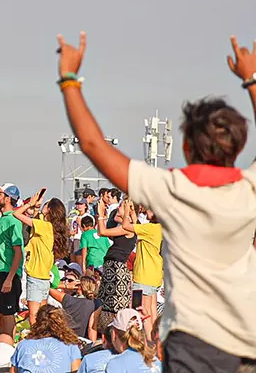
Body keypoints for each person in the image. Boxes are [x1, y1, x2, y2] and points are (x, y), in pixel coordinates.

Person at [57, 32, 256, 370]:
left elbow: (92, 145)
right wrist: (251, 79)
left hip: (191, 342)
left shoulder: (171, 189)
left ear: (186, 147)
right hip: (245, 340)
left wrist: (69, 79)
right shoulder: (248, 189)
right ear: (239, 147)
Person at [13, 189, 71, 326]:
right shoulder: (52, 228)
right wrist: (37, 205)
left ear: (49, 210)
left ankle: (36, 335)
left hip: (35, 275)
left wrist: (29, 204)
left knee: (34, 316)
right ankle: (44, 335)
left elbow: (17, 214)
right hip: (44, 276)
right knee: (43, 315)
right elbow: (37, 216)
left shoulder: (44, 226)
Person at [0, 183, 24, 342]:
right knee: (1, 313)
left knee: (8, 314)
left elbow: (18, 252)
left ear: (8, 198)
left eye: (0, 194)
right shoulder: (2, 219)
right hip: (1, 271)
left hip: (9, 273)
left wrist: (10, 278)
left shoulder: (13, 220)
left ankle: (8, 345)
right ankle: (6, 343)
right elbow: (2, 249)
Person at [121, 205, 163, 341]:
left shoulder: (150, 228)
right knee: (151, 311)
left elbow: (126, 226)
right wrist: (134, 214)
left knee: (141, 312)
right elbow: (138, 227)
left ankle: (149, 343)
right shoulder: (159, 228)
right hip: (154, 276)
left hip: (143, 276)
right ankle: (155, 341)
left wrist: (126, 211)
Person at [11, 305, 82, 373]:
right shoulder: (70, 345)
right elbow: (76, 370)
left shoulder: (23, 345)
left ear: (37, 321)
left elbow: (13, 371)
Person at [49, 273, 100, 339]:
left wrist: (66, 286)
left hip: (66, 337)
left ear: (80, 286)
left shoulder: (69, 299)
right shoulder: (96, 303)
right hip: (83, 339)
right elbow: (92, 326)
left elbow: (48, 288)